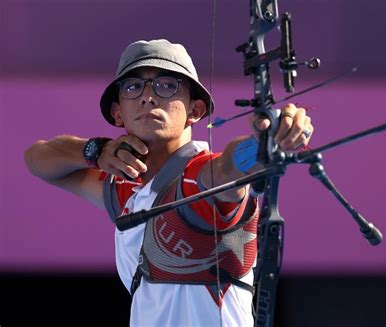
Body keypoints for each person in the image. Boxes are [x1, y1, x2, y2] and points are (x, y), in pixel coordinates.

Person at [24, 39, 314, 326]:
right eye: (133, 86)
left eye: (166, 85)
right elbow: (37, 158)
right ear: (118, 114)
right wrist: (96, 151)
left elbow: (231, 165)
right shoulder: (124, 188)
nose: (148, 97)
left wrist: (269, 139)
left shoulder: (203, 177)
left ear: (195, 110)